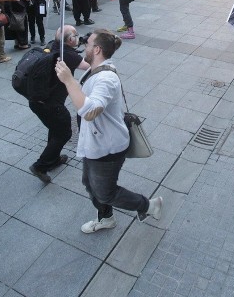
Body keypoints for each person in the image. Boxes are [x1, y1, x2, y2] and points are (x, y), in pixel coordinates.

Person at [54, 29, 162, 233]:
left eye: (87, 44)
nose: (83, 46)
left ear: (96, 49)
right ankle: (106, 218)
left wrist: (69, 81)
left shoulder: (107, 79)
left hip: (107, 148)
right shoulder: (94, 69)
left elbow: (90, 112)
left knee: (105, 193)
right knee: (89, 182)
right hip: (94, 142)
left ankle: (149, 206)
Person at [27, 26, 90, 183]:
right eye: (76, 35)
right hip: (51, 104)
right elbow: (88, 66)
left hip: (37, 101)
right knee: (64, 133)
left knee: (55, 129)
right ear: (69, 40)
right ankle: (40, 166)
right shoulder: (68, 55)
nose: (78, 37)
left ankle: (53, 159)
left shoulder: (53, 46)